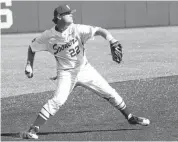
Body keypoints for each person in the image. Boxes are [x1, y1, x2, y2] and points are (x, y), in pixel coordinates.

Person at [21, 4, 150, 140]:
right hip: (66, 73)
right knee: (58, 100)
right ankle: (33, 129)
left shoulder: (77, 29)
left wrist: (111, 40)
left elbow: (100, 30)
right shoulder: (48, 36)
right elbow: (32, 47)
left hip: (85, 69)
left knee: (110, 93)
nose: (71, 14)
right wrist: (29, 64)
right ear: (59, 17)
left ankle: (130, 117)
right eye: (68, 13)